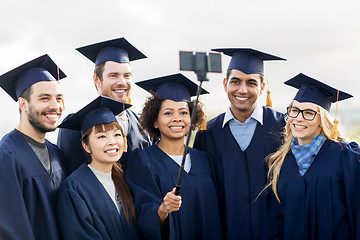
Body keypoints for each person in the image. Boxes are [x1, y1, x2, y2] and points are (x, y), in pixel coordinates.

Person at [193, 48, 286, 240]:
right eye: (235, 81)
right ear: (225, 84)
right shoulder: (207, 133)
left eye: (251, 83)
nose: (242, 90)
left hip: (276, 233)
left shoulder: (283, 127)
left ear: (262, 87)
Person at [125, 73, 222, 240]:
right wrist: (162, 209)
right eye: (168, 113)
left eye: (183, 113)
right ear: (155, 121)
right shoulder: (143, 160)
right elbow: (141, 214)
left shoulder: (205, 160)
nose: (177, 119)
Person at [266, 73, 360, 240]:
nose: (298, 118)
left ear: (322, 119)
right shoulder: (280, 162)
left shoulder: (346, 157)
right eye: (294, 110)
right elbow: (274, 224)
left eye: (309, 113)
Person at [57, 37, 152, 173]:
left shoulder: (142, 124)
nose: (122, 82)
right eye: (113, 75)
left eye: (127, 75)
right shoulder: (75, 126)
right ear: (97, 79)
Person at [0, 54, 67, 239]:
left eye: (59, 98)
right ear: (23, 104)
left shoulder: (56, 153)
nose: (55, 106)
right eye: (45, 98)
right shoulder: (6, 155)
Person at [56, 95, 142, 239]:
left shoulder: (125, 179)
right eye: (101, 137)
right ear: (86, 146)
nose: (112, 142)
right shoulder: (73, 188)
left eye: (116, 134)